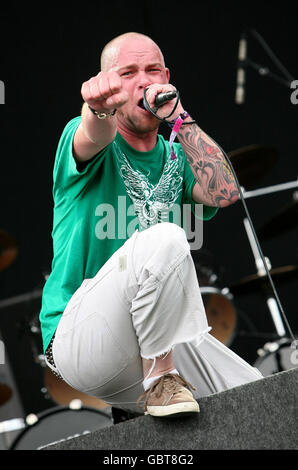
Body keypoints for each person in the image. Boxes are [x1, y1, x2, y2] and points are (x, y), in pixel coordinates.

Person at [39, 32, 262, 419]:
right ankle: (159, 380)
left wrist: (179, 117)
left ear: (167, 76)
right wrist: (99, 107)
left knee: (259, 398)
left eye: (152, 70)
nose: (143, 81)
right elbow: (94, 131)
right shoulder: (85, 136)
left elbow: (225, 192)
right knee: (166, 238)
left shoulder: (177, 154)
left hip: (145, 340)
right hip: (79, 336)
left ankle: (149, 397)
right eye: (127, 72)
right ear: (108, 81)